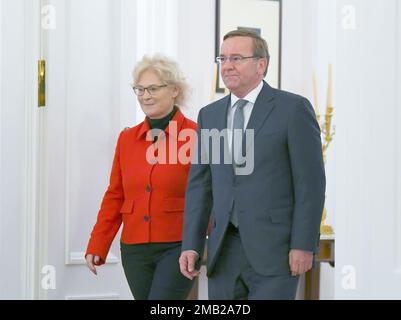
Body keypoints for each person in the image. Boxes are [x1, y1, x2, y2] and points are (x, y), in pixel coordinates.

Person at [179, 30, 326, 300]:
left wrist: (304, 244)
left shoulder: (293, 109)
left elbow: (310, 185)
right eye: (222, 58)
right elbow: (201, 186)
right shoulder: (209, 115)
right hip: (224, 252)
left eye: (236, 58)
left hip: (276, 252)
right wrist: (191, 244)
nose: (227, 65)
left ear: (262, 64)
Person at [85, 54, 197, 300]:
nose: (145, 96)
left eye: (154, 88)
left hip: (178, 246)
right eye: (140, 89)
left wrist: (203, 243)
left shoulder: (196, 135)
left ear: (175, 90)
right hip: (134, 248)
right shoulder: (127, 139)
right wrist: (98, 243)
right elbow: (115, 194)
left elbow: (208, 195)